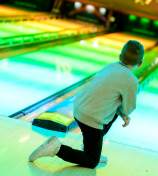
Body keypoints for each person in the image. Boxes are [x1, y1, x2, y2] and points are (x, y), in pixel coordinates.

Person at [29, 40, 144, 168]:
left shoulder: (111, 66)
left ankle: (89, 147)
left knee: (113, 108)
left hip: (78, 109)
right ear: (140, 63)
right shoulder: (132, 81)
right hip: (91, 119)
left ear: (120, 56)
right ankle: (57, 148)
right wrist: (124, 115)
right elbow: (128, 109)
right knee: (91, 161)